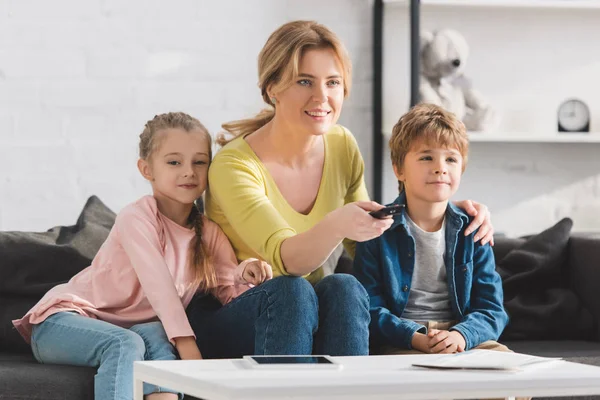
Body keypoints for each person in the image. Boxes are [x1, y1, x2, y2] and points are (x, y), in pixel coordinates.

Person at [188, 20, 496, 358]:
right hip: (237, 315)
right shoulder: (234, 166)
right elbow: (288, 261)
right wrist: (337, 222)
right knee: (292, 291)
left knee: (345, 286)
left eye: (332, 82)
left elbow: (371, 237)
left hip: (305, 312)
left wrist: (445, 209)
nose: (322, 97)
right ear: (272, 87)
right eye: (304, 81)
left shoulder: (341, 144)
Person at [12, 112, 272, 400]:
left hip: (139, 330)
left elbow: (229, 291)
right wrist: (190, 352)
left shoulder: (209, 232)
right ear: (147, 169)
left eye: (199, 162)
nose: (189, 171)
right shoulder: (137, 217)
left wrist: (247, 272)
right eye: (174, 162)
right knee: (125, 344)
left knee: (156, 338)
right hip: (61, 323)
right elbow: (159, 287)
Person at [353, 103, 510, 356]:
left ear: (462, 168)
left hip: (465, 337)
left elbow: (492, 310)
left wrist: (461, 335)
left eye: (451, 159)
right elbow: (368, 305)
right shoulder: (377, 229)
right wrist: (414, 337)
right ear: (398, 169)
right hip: (403, 339)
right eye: (426, 157)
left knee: (512, 376)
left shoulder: (474, 228)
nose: (440, 167)